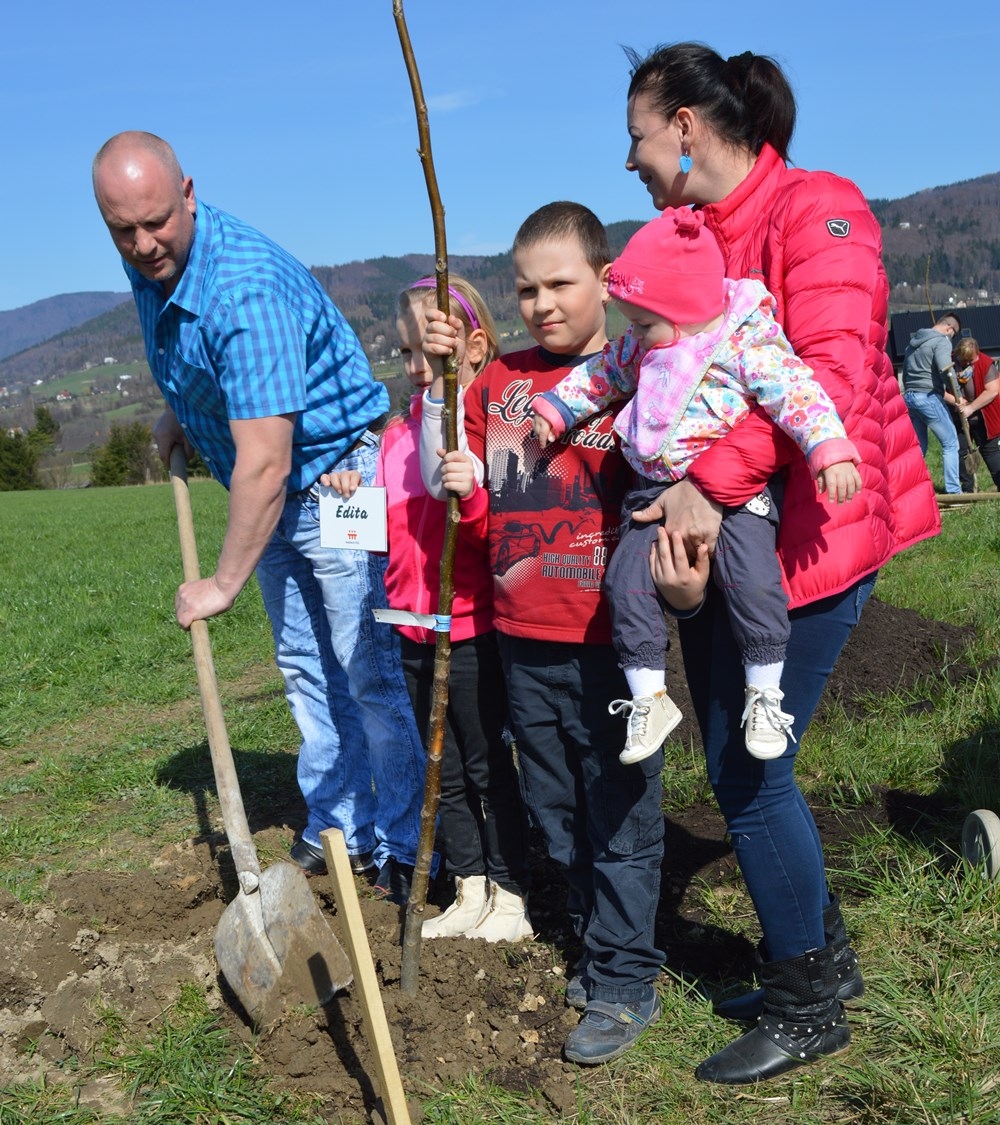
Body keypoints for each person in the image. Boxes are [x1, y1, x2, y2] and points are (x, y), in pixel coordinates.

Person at [620, 43, 940, 1084]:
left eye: (635, 133)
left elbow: (834, 381)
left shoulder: (818, 209)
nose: (627, 158)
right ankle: (824, 960)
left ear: (682, 126)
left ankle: (807, 1004)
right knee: (738, 760)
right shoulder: (693, 236)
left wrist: (704, 484)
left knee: (751, 772)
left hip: (817, 537)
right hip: (738, 533)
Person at [91, 131, 429, 906]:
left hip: (335, 476)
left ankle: (407, 843)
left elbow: (268, 464)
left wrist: (221, 581)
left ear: (188, 192)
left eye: (156, 223)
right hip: (272, 481)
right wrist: (187, 409)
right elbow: (195, 353)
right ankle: (340, 819)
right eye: (123, 231)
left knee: (366, 666)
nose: (143, 246)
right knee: (307, 665)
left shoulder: (243, 289)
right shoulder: (155, 259)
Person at [422, 202, 665, 1065]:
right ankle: (605, 939)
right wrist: (463, 477)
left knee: (620, 806)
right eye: (525, 288)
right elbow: (486, 518)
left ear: (605, 278)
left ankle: (626, 977)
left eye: (560, 283)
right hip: (523, 635)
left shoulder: (641, 373)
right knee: (555, 811)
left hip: (610, 639)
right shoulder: (497, 387)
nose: (542, 302)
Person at [530, 207, 862, 764]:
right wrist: (560, 407)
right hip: (651, 493)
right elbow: (604, 373)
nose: (632, 335)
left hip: (735, 495)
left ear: (681, 310)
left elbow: (797, 392)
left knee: (753, 581)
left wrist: (827, 448)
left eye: (641, 324)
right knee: (625, 583)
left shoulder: (742, 342)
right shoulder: (645, 341)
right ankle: (650, 697)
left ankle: (764, 691)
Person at [322, 276, 532, 941]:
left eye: (428, 352)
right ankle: (470, 883)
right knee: (441, 762)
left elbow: (489, 524)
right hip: (413, 627)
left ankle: (511, 890)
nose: (415, 367)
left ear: (471, 345)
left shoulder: (473, 422)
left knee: (484, 762)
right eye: (406, 352)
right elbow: (379, 528)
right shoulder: (395, 435)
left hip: (468, 626)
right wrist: (353, 489)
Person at [901, 314, 963, 494]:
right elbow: (947, 371)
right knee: (951, 442)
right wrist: (957, 396)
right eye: (954, 334)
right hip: (928, 396)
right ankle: (954, 491)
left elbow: (904, 373)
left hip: (910, 397)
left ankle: (908, 488)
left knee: (919, 447)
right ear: (950, 329)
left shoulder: (912, 343)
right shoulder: (942, 341)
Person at [953, 337, 1000, 490]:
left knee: (990, 451)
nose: (968, 364)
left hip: (985, 418)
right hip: (959, 417)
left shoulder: (986, 364)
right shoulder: (951, 365)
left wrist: (971, 408)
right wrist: (957, 402)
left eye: (971, 360)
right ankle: (968, 489)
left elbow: (992, 391)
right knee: (961, 452)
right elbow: (942, 390)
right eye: (964, 360)